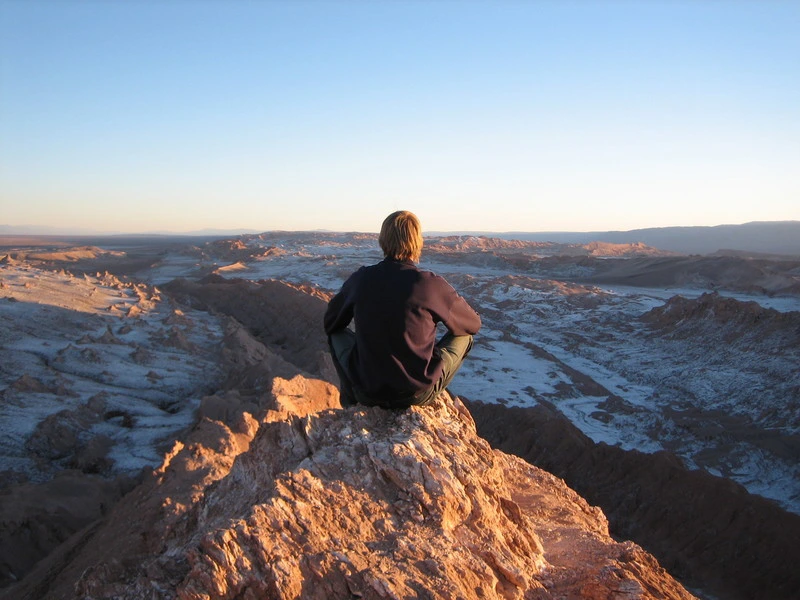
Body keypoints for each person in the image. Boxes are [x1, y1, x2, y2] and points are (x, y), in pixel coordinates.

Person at [324, 210, 481, 409]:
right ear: (417, 242)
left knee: (335, 335)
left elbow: (331, 323)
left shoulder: (362, 279)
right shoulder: (429, 284)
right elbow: (472, 325)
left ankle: (351, 402)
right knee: (464, 336)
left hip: (368, 392)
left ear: (383, 240)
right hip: (416, 394)